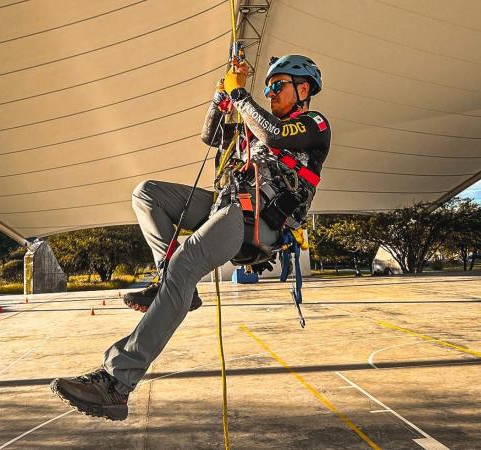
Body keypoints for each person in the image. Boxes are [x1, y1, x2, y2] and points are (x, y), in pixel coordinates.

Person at [50, 54, 331, 421]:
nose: (270, 92)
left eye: (277, 86)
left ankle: (116, 383)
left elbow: (274, 133)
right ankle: (172, 278)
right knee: (147, 193)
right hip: (227, 206)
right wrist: (221, 97)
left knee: (186, 264)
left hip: (256, 221)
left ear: (303, 89)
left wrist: (241, 94)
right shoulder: (252, 125)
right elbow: (210, 135)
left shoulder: (314, 124)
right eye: (268, 87)